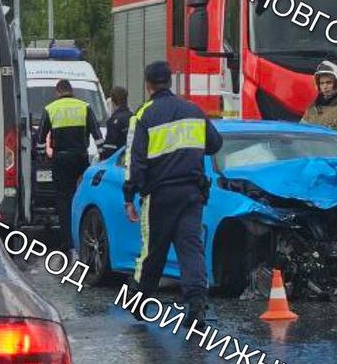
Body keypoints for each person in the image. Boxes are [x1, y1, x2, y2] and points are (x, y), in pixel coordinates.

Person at [122, 61, 223, 328]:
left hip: (160, 195)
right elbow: (215, 144)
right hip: (192, 193)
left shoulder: (144, 115)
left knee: (152, 250)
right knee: (191, 249)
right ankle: (196, 307)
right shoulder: (193, 110)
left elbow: (135, 160)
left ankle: (138, 302)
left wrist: (128, 196)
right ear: (170, 81)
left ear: (148, 84)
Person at [37, 79, 103, 257]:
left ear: (57, 92)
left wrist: (43, 158)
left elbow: (40, 138)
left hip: (61, 159)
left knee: (63, 200)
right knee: (83, 197)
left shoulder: (51, 109)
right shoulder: (85, 106)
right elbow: (97, 135)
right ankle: (84, 237)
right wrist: (103, 157)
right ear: (71, 91)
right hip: (81, 158)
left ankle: (68, 241)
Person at [99, 86, 132, 160]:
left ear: (112, 101)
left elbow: (109, 147)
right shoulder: (133, 117)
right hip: (131, 159)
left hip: (118, 161)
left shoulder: (113, 121)